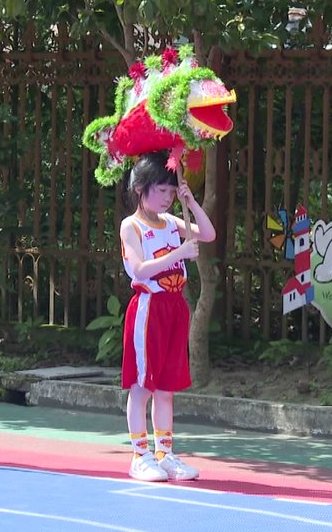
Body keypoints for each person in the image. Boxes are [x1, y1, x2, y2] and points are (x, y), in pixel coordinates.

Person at [118, 151, 215, 482]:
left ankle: (165, 453)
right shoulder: (131, 226)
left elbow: (208, 233)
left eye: (172, 192)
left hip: (175, 308)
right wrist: (179, 252)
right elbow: (139, 268)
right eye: (161, 190)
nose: (167, 198)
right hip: (149, 308)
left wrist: (191, 199)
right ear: (140, 189)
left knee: (167, 388)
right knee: (142, 385)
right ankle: (140, 455)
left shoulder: (175, 222)